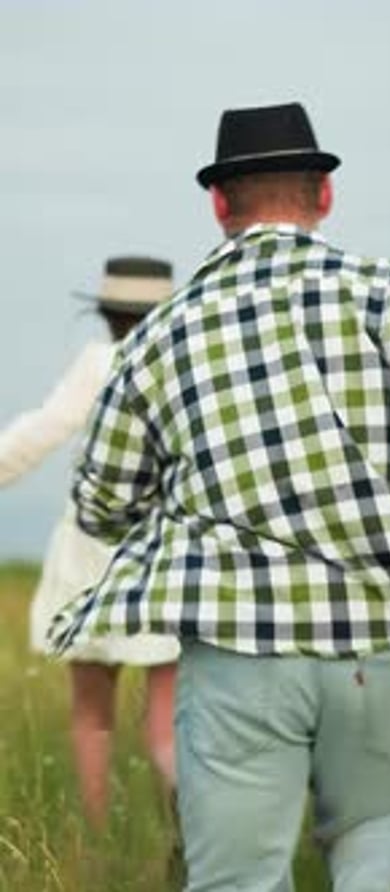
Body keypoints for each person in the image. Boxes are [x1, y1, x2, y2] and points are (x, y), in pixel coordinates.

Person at [48, 103, 390, 891]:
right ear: (324, 196)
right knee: (384, 835)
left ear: (220, 205)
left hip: (237, 649)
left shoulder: (162, 333)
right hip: (388, 635)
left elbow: (102, 503)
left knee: (238, 878)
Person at [0, 255, 179, 828]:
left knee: (92, 709)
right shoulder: (179, 361)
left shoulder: (99, 361)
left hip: (91, 553)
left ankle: (100, 831)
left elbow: (46, 428)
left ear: (106, 312)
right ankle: (187, 832)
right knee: (167, 717)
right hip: (163, 551)